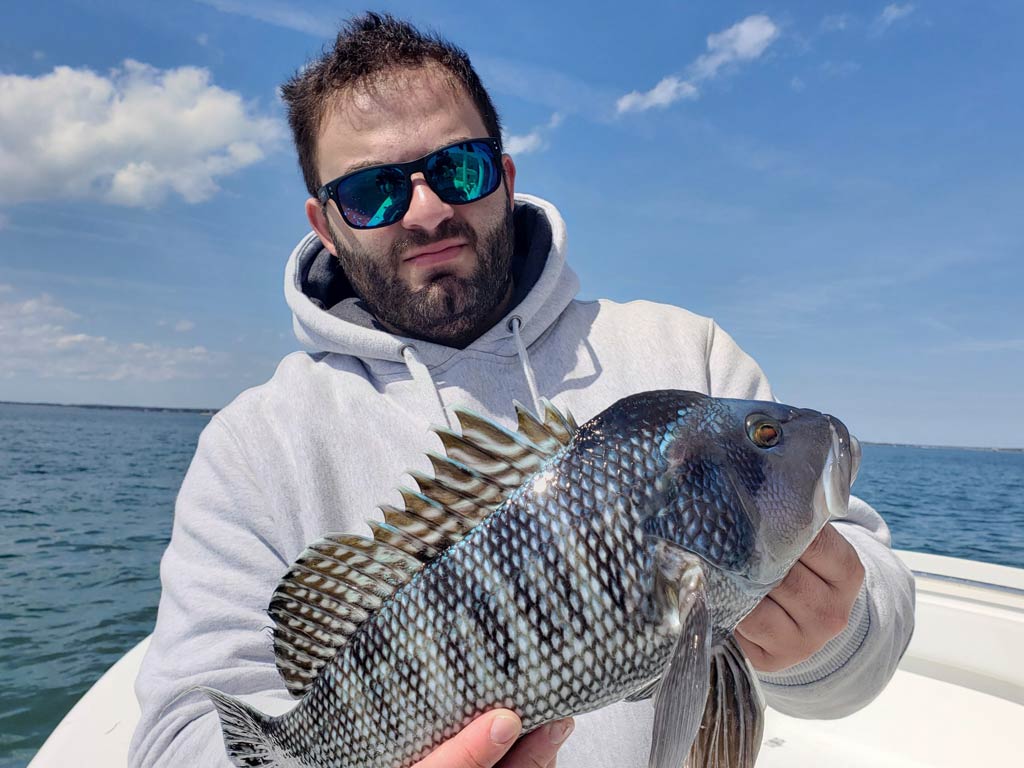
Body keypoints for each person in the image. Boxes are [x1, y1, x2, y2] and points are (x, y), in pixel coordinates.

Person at [128, 13, 915, 768]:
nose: (428, 210)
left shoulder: (690, 353)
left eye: (457, 168)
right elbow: (180, 734)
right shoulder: (253, 444)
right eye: (373, 193)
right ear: (327, 224)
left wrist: (832, 634)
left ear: (503, 178)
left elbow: (871, 615)